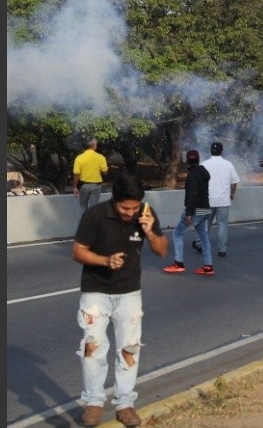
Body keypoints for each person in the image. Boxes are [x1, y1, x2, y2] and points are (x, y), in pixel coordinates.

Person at [71, 171, 168, 427]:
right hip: (95, 292)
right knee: (92, 348)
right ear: (114, 200)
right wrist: (105, 261)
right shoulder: (95, 216)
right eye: (125, 208)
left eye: (134, 208)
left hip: (129, 293)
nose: (130, 213)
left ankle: (125, 404)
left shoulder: (145, 214)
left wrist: (149, 231)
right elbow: (78, 252)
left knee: (129, 348)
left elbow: (162, 251)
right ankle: (94, 402)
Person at [163, 150, 214, 276]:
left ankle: (178, 263)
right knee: (204, 237)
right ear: (198, 160)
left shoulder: (192, 175)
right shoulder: (203, 172)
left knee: (177, 233)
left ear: (187, 161)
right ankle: (208, 266)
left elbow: (192, 196)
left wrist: (188, 214)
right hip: (206, 210)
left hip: (196, 211)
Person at [193, 142, 240, 257]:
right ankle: (222, 250)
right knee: (222, 225)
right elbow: (234, 182)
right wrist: (232, 193)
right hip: (223, 200)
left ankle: (200, 244)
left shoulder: (204, 164)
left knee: (204, 224)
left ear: (210, 151)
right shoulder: (228, 164)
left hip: (208, 200)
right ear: (222, 151)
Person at [72, 138, 109, 215]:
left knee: (82, 206)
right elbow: (105, 172)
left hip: (84, 186)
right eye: (96, 144)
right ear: (93, 145)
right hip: (96, 186)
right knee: (93, 208)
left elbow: (76, 173)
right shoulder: (101, 157)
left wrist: (75, 187)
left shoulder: (79, 158)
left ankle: (83, 222)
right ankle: (92, 222)